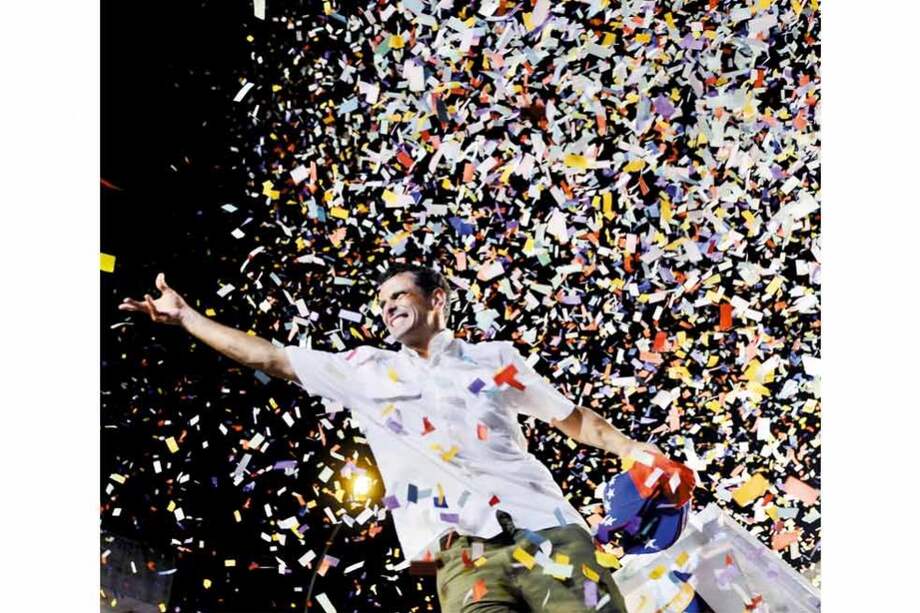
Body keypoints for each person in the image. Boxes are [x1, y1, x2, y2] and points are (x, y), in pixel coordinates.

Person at [119, 264, 664, 612]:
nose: (388, 307)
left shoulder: (493, 359)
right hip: (463, 557)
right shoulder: (366, 371)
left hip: (545, 529)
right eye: (382, 302)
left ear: (437, 299)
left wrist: (630, 449)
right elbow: (270, 357)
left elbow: (573, 419)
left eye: (400, 295)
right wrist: (188, 318)